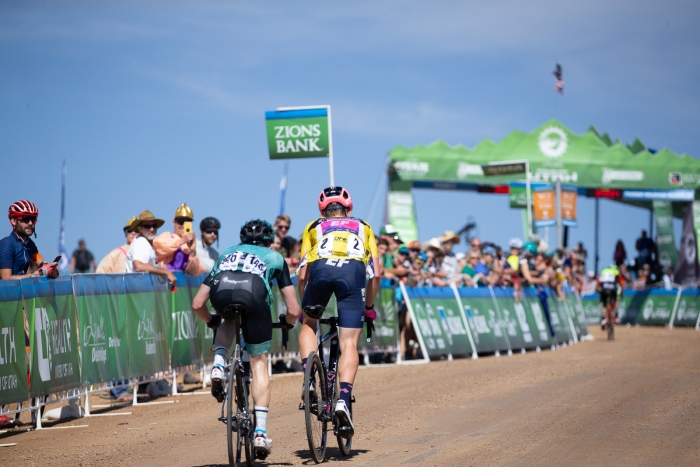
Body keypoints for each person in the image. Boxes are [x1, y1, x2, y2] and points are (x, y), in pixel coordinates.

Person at [191, 219, 300, 456]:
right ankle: (260, 433)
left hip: (222, 292)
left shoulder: (227, 254)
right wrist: (287, 323)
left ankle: (219, 364)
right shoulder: (275, 257)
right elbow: (293, 310)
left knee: (228, 319)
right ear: (270, 242)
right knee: (259, 364)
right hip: (254, 293)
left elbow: (198, 303)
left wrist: (211, 320)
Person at [297, 187, 380, 439]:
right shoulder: (364, 225)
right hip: (352, 275)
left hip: (321, 271)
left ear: (322, 211)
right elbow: (375, 274)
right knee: (348, 343)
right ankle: (343, 399)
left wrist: (306, 310)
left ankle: (310, 379)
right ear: (349, 208)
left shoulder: (313, 226)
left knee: (309, 325)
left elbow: (302, 275)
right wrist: (368, 308)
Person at [0, 200, 59, 280]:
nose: (31, 223)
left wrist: (51, 270)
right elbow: (6, 279)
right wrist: (38, 273)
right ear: (13, 221)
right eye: (26, 219)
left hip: (20, 291)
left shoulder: (30, 244)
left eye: (33, 219)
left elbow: (41, 263)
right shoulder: (6, 244)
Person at [126, 211, 177, 287]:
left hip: (142, 291)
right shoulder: (140, 242)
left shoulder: (147, 244)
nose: (152, 229)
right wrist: (166, 272)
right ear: (139, 229)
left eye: (154, 225)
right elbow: (139, 266)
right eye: (147, 226)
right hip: (138, 293)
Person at [153, 203, 204, 276]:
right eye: (181, 222)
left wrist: (193, 252)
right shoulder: (167, 236)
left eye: (187, 222)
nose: (183, 225)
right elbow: (159, 247)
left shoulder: (189, 245)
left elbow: (195, 273)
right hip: (164, 281)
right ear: (174, 223)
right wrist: (181, 241)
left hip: (180, 285)